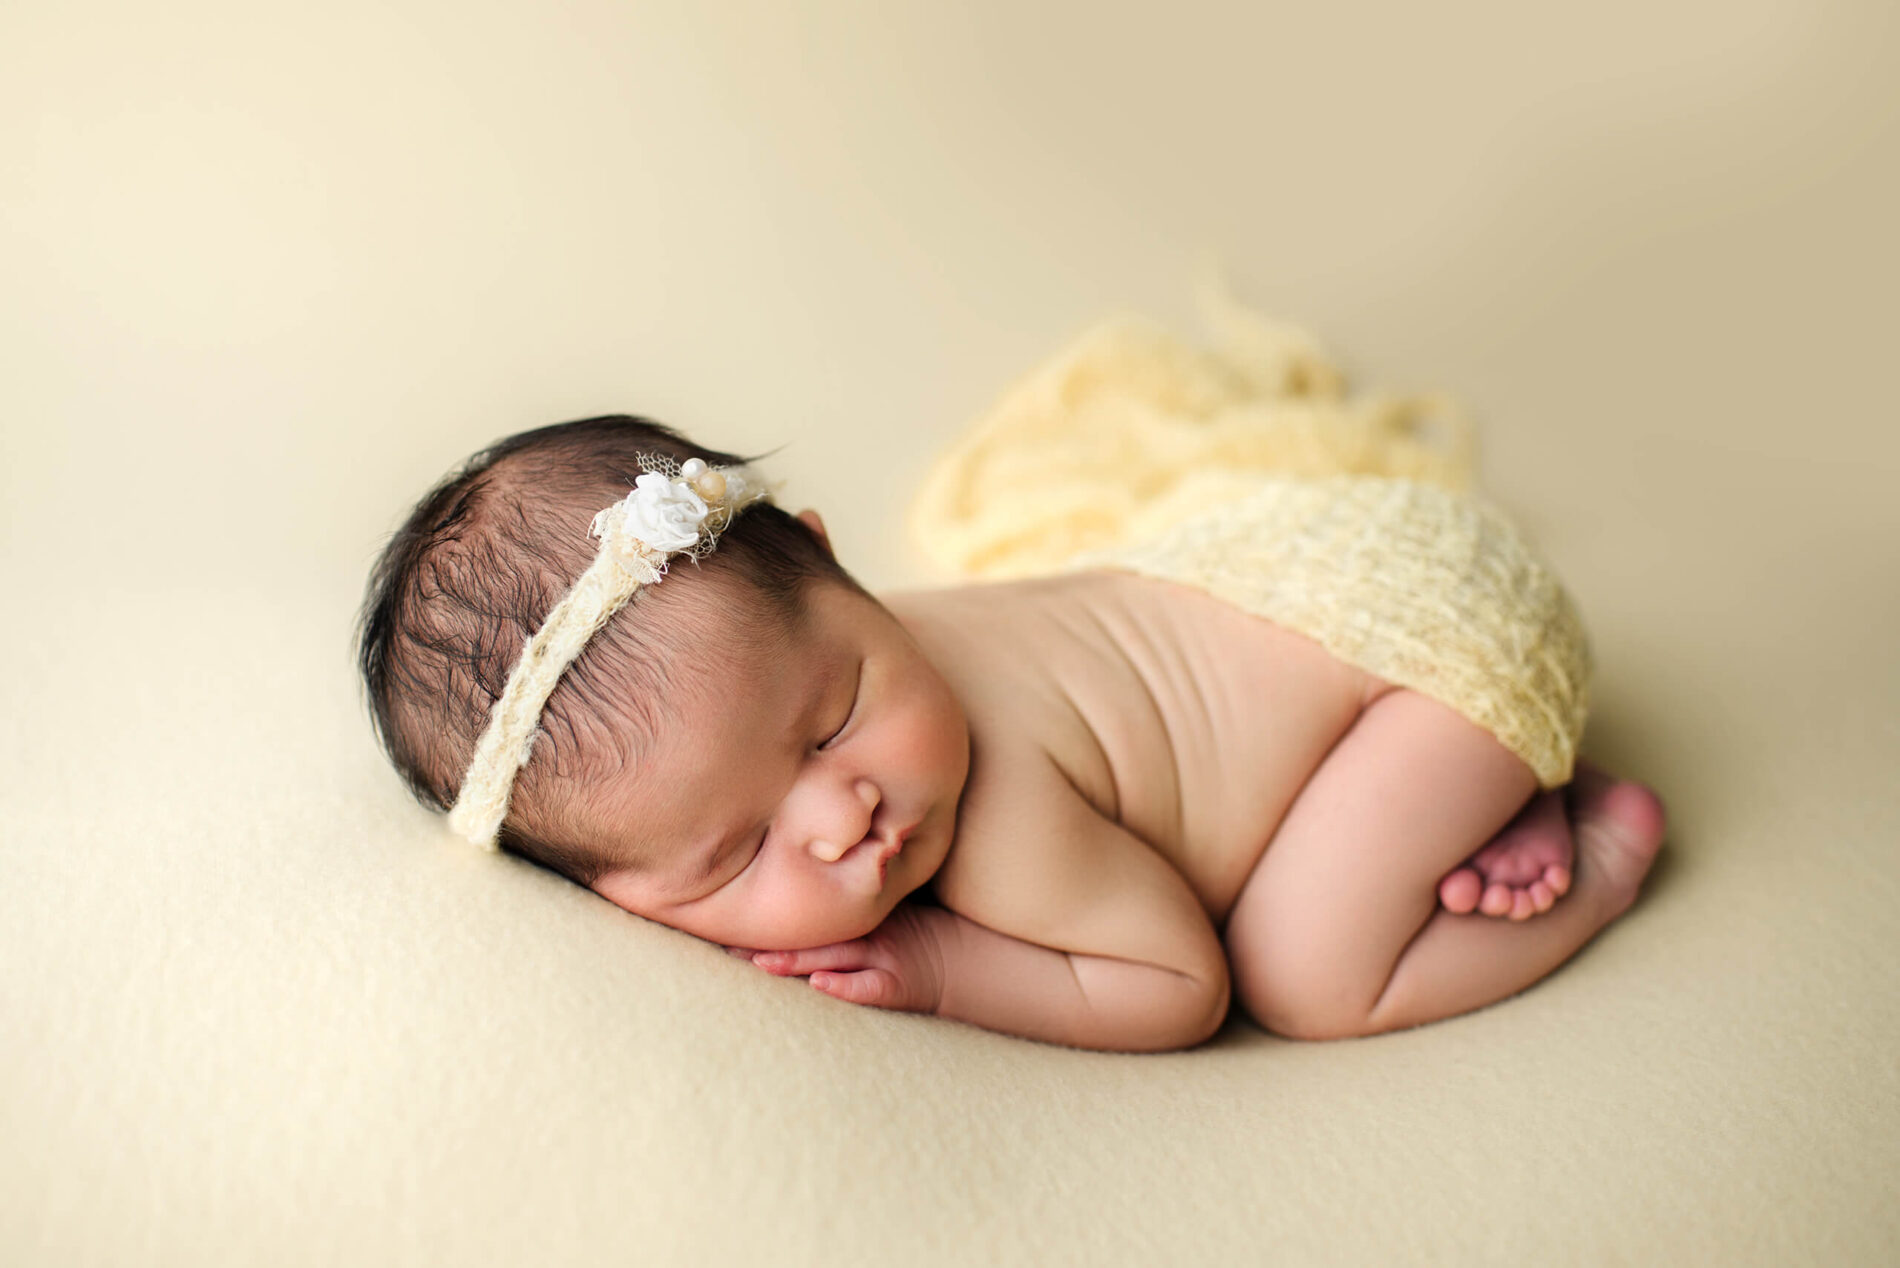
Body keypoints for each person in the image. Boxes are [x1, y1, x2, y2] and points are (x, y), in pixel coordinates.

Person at [356, 316, 1665, 1053]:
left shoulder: (998, 828)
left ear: (830, 562)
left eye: (835, 719)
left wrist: (939, 967)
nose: (844, 818)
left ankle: (1586, 837)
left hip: (1430, 657)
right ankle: (1468, 802)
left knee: (1303, 971)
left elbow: (1177, 987)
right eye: (738, 849)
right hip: (1332, 566)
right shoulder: (841, 653)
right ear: (614, 896)